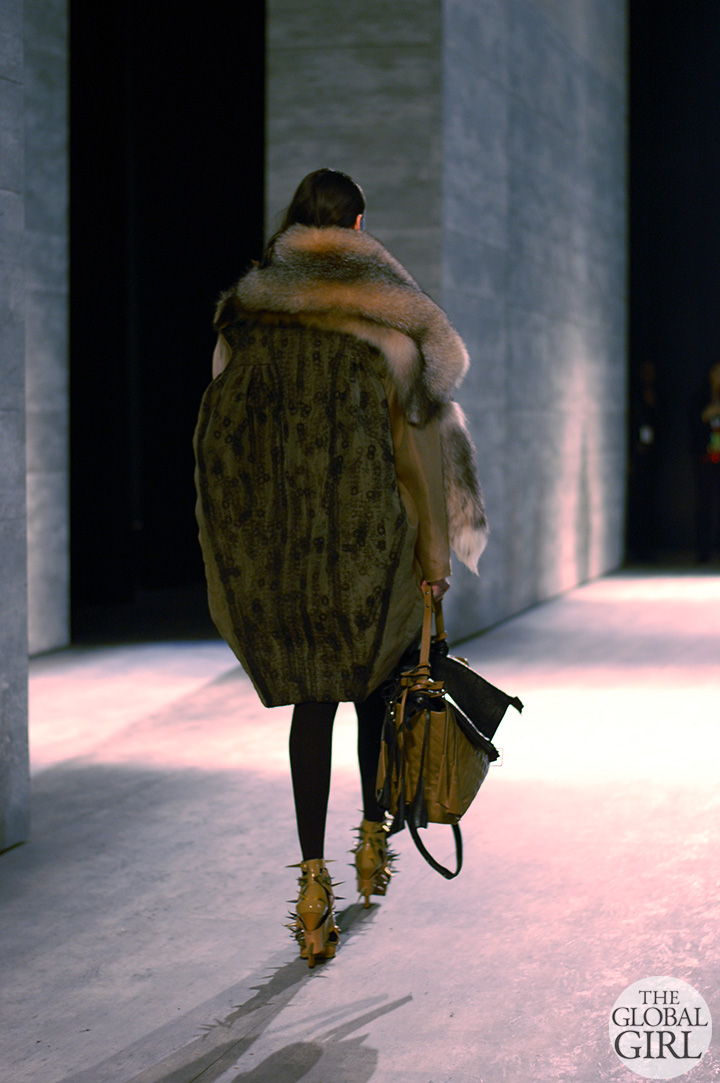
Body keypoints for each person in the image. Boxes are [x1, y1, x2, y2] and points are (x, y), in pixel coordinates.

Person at [193, 169, 487, 966]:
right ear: (359, 225)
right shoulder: (388, 329)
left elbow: (225, 435)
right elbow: (415, 454)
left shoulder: (246, 320)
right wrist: (434, 556)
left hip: (287, 548)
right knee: (373, 693)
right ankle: (370, 841)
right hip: (372, 545)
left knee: (311, 705)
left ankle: (312, 881)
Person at [694, 362, 720, 562]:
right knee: (705, 505)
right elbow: (694, 425)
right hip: (706, 457)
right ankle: (704, 549)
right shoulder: (701, 399)